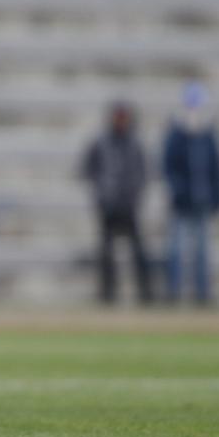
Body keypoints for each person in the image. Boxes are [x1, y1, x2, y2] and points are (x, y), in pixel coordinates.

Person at [81, 100, 153, 305]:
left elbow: (142, 172)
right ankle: (107, 294)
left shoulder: (134, 143)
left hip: (129, 206)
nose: (120, 121)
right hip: (108, 206)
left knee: (138, 252)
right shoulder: (101, 142)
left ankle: (146, 294)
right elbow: (88, 168)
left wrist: (135, 194)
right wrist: (101, 192)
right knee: (106, 254)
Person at [162, 81, 219, 305]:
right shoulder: (177, 134)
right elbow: (168, 166)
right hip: (182, 202)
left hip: (203, 200)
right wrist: (178, 191)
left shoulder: (208, 134)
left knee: (202, 251)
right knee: (177, 249)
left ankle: (202, 294)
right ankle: (174, 292)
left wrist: (218, 198)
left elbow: (217, 169)